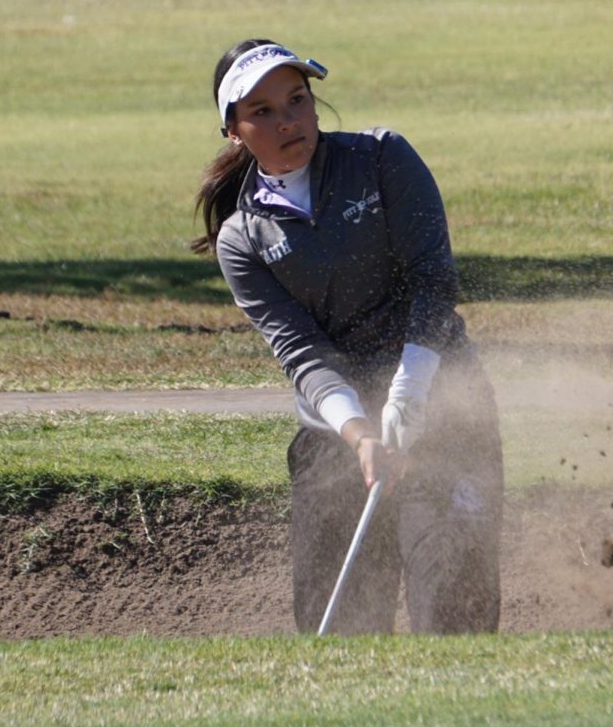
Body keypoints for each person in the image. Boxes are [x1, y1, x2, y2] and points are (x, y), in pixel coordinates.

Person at [193, 39, 502, 634]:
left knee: (453, 615)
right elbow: (302, 351)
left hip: (446, 414)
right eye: (261, 111)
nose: (288, 120)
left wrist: (410, 389)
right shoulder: (243, 239)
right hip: (336, 437)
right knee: (341, 634)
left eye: (297, 100)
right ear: (232, 130)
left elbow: (433, 281)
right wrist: (360, 433)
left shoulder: (381, 158)